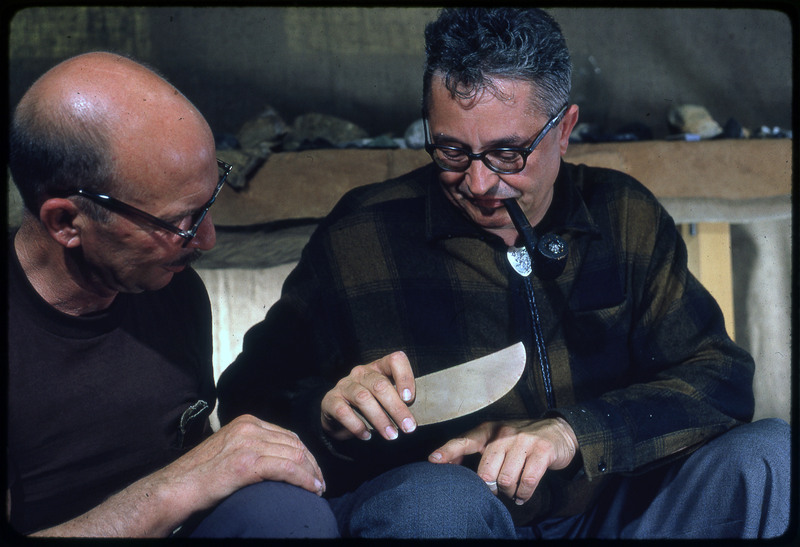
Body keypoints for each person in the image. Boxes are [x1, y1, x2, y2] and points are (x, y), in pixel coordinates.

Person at [217, 8, 790, 539]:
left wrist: (574, 433)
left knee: (772, 454)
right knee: (438, 503)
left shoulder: (624, 214)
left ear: (564, 130)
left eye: (508, 155)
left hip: (615, 513)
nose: (479, 184)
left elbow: (721, 378)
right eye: (450, 152)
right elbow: (249, 398)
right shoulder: (360, 235)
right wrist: (328, 412)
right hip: (451, 515)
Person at [6, 52, 338, 539]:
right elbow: (186, 477)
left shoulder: (170, 289)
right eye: (179, 223)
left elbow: (192, 443)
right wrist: (176, 487)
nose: (206, 241)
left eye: (208, 204)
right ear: (65, 222)